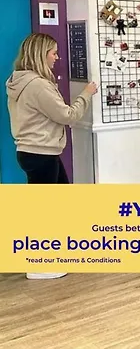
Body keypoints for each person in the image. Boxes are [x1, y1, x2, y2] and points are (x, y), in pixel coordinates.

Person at [6, 32, 98, 280]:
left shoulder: (18, 80)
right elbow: (67, 115)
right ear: (41, 54)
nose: (57, 57)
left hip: (34, 151)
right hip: (40, 153)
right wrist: (86, 93)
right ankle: (39, 266)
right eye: (53, 53)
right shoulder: (37, 85)